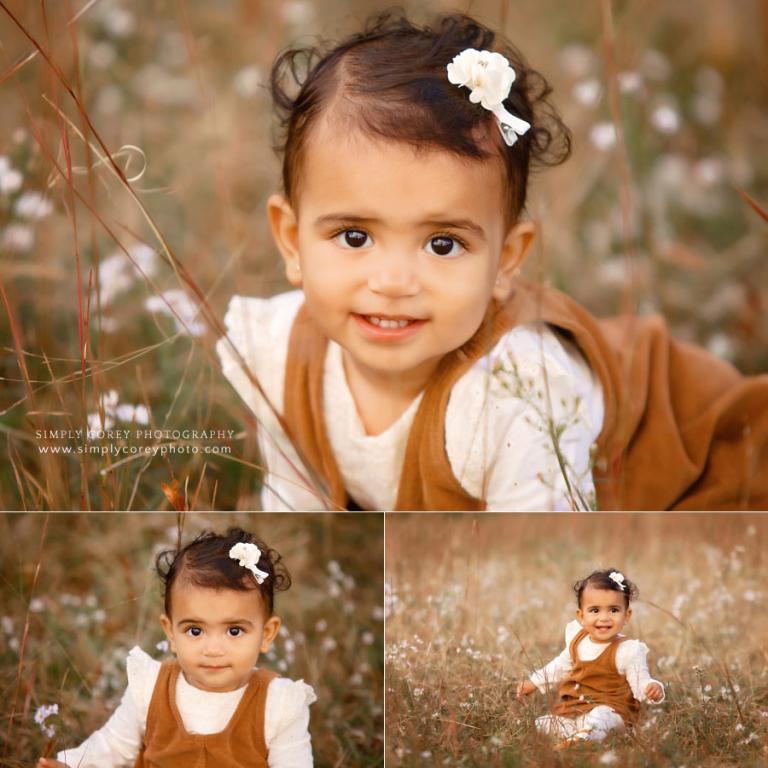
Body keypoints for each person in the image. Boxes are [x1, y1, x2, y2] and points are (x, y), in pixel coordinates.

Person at [216, 10, 768, 511]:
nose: (392, 282)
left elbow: (546, 555)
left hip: (709, 465)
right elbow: (297, 504)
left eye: (443, 244)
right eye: (355, 236)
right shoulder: (280, 355)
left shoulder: (513, 395)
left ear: (506, 260)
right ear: (291, 240)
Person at [38, 528, 316, 768]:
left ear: (266, 634)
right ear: (170, 631)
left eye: (234, 631)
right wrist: (72, 763)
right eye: (195, 630)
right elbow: (112, 747)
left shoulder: (278, 705)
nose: (213, 648)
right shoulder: (149, 689)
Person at [516, 568, 664, 750]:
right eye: (594, 610)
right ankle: (577, 736)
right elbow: (560, 666)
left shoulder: (628, 650)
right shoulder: (577, 641)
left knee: (600, 717)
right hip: (575, 710)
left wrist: (652, 688)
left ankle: (586, 740)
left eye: (614, 610)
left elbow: (641, 680)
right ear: (581, 615)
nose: (604, 618)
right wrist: (534, 682)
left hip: (613, 713)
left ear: (626, 616)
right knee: (543, 724)